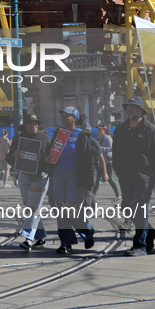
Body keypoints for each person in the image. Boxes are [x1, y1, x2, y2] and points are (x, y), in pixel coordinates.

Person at [112, 96, 155, 256]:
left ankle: (140, 245)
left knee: (140, 209)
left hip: (145, 177)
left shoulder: (151, 130)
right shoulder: (120, 130)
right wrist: (117, 170)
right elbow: (115, 153)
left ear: (140, 111)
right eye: (127, 107)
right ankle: (149, 232)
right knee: (127, 209)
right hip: (125, 176)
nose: (129, 110)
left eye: (133, 107)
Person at [47, 108, 107, 254]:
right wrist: (46, 159)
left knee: (71, 209)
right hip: (58, 174)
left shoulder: (83, 136)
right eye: (62, 116)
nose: (63, 118)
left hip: (75, 175)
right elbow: (50, 153)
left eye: (66, 116)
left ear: (74, 118)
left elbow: (91, 158)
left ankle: (87, 231)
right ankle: (66, 243)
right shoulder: (58, 134)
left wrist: (99, 175)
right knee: (60, 209)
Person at [5, 114, 51, 252]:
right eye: (30, 123)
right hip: (24, 175)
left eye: (36, 123)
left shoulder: (46, 138)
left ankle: (28, 238)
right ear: (24, 125)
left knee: (32, 208)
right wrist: (14, 155)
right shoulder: (18, 138)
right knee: (30, 206)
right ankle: (40, 235)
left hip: (40, 176)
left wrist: (43, 159)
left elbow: (53, 160)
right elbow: (9, 159)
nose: (34, 125)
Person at [94, 124, 121, 202]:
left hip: (108, 162)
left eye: (100, 129)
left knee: (110, 178)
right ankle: (92, 196)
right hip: (100, 162)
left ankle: (118, 195)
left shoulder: (108, 138)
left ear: (104, 130)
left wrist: (100, 148)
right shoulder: (97, 139)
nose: (99, 131)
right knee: (97, 179)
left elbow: (111, 149)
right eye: (98, 129)